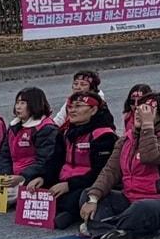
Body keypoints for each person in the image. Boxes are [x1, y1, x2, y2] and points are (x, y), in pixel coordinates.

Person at [79, 91, 160, 239]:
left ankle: (103, 227)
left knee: (141, 209)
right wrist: (93, 198)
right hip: (130, 197)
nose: (139, 114)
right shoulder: (127, 139)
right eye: (137, 110)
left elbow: (149, 156)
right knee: (88, 194)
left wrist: (147, 126)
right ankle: (117, 230)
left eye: (146, 111)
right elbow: (110, 171)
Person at [50, 92, 117, 228]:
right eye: (70, 107)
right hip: (65, 179)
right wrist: (40, 177)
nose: (72, 110)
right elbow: (54, 161)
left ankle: (72, 214)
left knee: (78, 197)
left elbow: (101, 173)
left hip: (86, 183)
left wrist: (69, 185)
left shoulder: (104, 136)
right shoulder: (66, 132)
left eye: (78, 106)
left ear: (93, 110)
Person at [0, 87, 62, 196]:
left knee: (7, 195)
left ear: (34, 105)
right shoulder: (14, 126)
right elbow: (5, 154)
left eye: (23, 103)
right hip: (14, 174)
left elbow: (44, 161)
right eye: (17, 103)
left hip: (33, 176)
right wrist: (6, 173)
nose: (18, 107)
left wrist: (23, 176)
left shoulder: (46, 128)